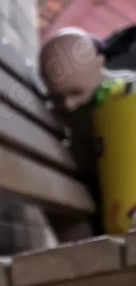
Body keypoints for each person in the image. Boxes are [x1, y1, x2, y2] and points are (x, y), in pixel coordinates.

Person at [39, 27, 136, 233]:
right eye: (57, 98)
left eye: (77, 92)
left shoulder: (127, 93)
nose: (69, 105)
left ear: (100, 65)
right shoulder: (65, 119)